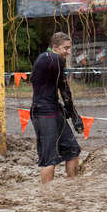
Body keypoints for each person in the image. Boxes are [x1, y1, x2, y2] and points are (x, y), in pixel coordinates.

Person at [30, 32, 84, 184]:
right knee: (49, 158)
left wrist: (71, 113)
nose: (68, 52)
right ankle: (47, 196)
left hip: (55, 110)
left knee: (73, 150)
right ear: (54, 47)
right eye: (65, 48)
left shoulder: (48, 58)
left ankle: (71, 187)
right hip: (43, 113)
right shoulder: (53, 59)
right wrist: (74, 115)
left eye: (69, 48)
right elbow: (64, 89)